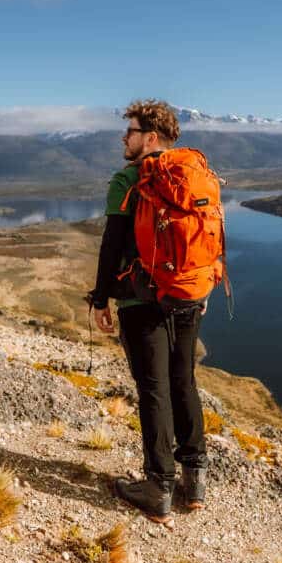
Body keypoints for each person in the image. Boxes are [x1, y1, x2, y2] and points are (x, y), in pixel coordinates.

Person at [89, 99, 208, 524]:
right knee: (184, 381)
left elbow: (112, 243)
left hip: (142, 300)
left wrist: (100, 299)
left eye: (131, 132)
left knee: (153, 389)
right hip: (189, 294)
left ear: (150, 138)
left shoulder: (128, 179)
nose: (125, 138)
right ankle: (195, 480)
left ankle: (158, 486)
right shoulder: (195, 175)